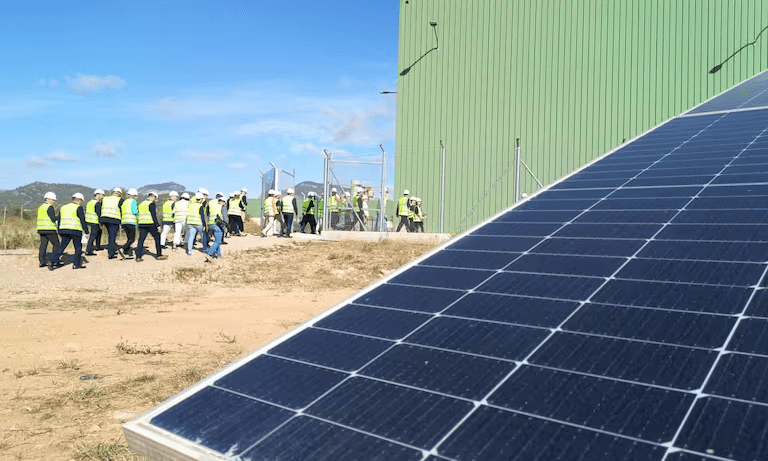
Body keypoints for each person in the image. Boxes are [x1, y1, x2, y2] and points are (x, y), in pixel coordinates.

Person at [49, 193, 89, 270]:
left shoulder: (63, 207)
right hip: (75, 230)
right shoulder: (78, 208)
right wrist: (86, 231)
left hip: (63, 230)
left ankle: (52, 261)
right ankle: (76, 264)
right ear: (79, 200)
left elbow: (59, 219)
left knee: (62, 246)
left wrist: (59, 230)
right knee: (78, 247)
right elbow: (82, 220)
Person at [136, 192, 168, 262]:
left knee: (141, 240)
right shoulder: (151, 204)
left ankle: (138, 256)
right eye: (156, 198)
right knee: (157, 238)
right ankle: (159, 255)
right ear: (154, 197)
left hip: (141, 223)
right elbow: (153, 215)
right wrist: (158, 226)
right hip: (150, 223)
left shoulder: (141, 204)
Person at [37, 192, 60, 268]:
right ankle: (54, 261)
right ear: (48, 199)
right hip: (49, 229)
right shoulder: (49, 207)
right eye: (53, 200)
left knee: (43, 245)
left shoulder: (41, 207)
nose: (54, 202)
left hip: (41, 229)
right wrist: (59, 217)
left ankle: (42, 262)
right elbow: (53, 218)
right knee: (56, 245)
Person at [100, 187, 123, 259]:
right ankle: (111, 253)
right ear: (119, 194)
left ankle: (112, 248)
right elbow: (122, 210)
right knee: (112, 237)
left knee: (110, 235)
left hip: (104, 218)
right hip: (114, 219)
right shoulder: (120, 200)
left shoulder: (105, 198)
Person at [118, 187, 139, 259]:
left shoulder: (124, 202)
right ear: (134, 195)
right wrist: (138, 214)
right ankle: (123, 248)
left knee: (129, 238)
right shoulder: (133, 201)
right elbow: (134, 211)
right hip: (131, 221)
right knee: (132, 239)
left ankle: (126, 251)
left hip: (124, 222)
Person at [205, 195, 227, 262]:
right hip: (218, 225)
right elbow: (224, 216)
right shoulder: (222, 207)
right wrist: (226, 226)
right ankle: (209, 254)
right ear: (223, 201)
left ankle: (219, 255)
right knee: (217, 241)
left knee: (217, 240)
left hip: (211, 224)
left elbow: (207, 213)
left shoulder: (212, 204)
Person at [84, 189, 104, 255]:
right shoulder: (97, 203)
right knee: (93, 236)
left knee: (99, 232)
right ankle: (88, 250)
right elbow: (99, 213)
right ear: (98, 195)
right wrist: (101, 222)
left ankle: (98, 246)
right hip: (94, 221)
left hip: (88, 220)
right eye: (102, 195)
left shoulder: (90, 202)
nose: (103, 196)